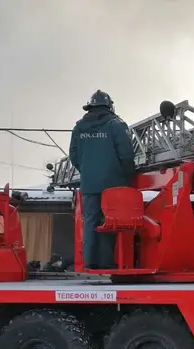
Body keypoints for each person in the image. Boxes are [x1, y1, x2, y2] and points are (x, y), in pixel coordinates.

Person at [69, 90, 136, 269]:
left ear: (90, 107)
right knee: (110, 220)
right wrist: (128, 175)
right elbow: (126, 154)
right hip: (113, 184)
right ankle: (106, 263)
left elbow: (74, 155)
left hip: (89, 184)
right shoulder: (116, 125)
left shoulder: (78, 128)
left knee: (90, 220)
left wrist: (87, 171)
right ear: (109, 106)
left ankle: (90, 262)